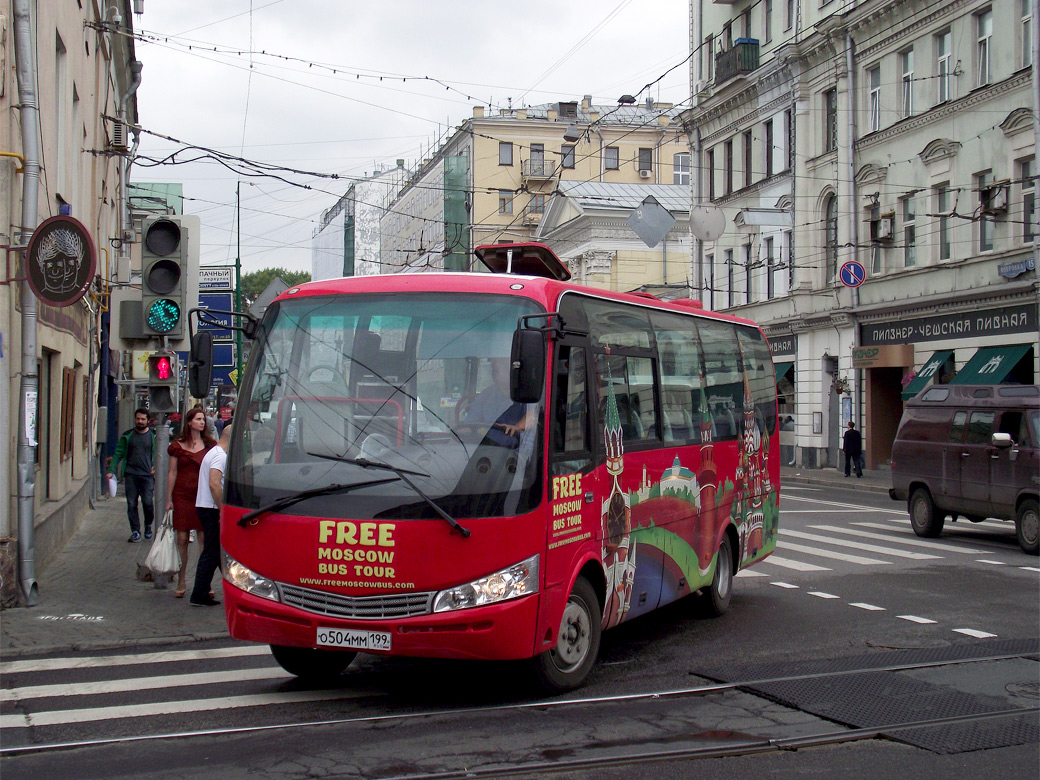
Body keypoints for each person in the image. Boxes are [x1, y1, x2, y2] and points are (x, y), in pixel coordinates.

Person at [166, 406, 216, 597]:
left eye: (203, 419)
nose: (202, 422)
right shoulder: (177, 445)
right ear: (189, 422)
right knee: (182, 539)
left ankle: (205, 582)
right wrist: (169, 499)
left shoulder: (210, 445)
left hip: (202, 496)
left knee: (204, 539)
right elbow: (172, 472)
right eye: (198, 419)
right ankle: (181, 581)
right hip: (182, 495)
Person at [191, 424, 231, 607]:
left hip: (206, 506)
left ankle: (206, 590)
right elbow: (214, 483)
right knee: (211, 551)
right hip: (211, 508)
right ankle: (199, 594)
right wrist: (222, 508)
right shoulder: (220, 456)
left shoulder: (213, 452)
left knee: (214, 551)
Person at [106, 408, 156, 543]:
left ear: (147, 420)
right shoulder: (128, 436)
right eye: (138, 419)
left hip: (147, 475)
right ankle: (135, 531)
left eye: (143, 419)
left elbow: (160, 455)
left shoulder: (153, 436)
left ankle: (148, 526)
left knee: (147, 502)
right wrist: (111, 470)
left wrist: (156, 466)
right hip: (131, 475)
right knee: (132, 503)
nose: (140, 422)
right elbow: (118, 454)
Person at [463, 358, 529, 446]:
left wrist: (518, 426)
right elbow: (469, 424)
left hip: (514, 450)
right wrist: (455, 439)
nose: (495, 373)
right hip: (485, 447)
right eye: (494, 369)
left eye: (500, 368)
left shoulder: (527, 394)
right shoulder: (486, 395)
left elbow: (535, 415)